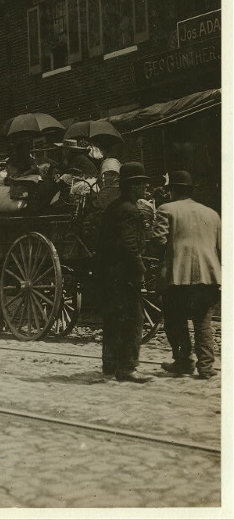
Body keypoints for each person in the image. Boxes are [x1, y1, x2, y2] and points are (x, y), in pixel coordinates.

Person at [151, 170, 221, 379]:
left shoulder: (166, 209)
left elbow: (158, 241)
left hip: (178, 276)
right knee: (203, 324)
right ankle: (206, 368)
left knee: (175, 320)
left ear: (172, 190)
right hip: (209, 277)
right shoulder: (212, 213)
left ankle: (183, 362)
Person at [96, 162, 153, 383]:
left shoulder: (114, 207)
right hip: (125, 273)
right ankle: (128, 367)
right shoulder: (130, 210)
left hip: (110, 273)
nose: (146, 189)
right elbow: (129, 244)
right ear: (133, 186)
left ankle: (110, 364)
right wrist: (140, 267)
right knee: (132, 319)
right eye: (142, 184)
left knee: (113, 319)